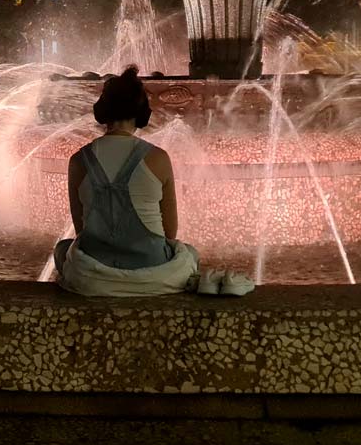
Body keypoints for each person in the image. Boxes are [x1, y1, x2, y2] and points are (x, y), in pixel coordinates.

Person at [53, 66, 253, 297]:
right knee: (189, 252)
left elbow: (81, 230)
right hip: (155, 275)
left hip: (92, 278)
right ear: (141, 112)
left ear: (102, 111)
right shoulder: (157, 158)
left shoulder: (79, 160)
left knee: (62, 249)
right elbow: (169, 232)